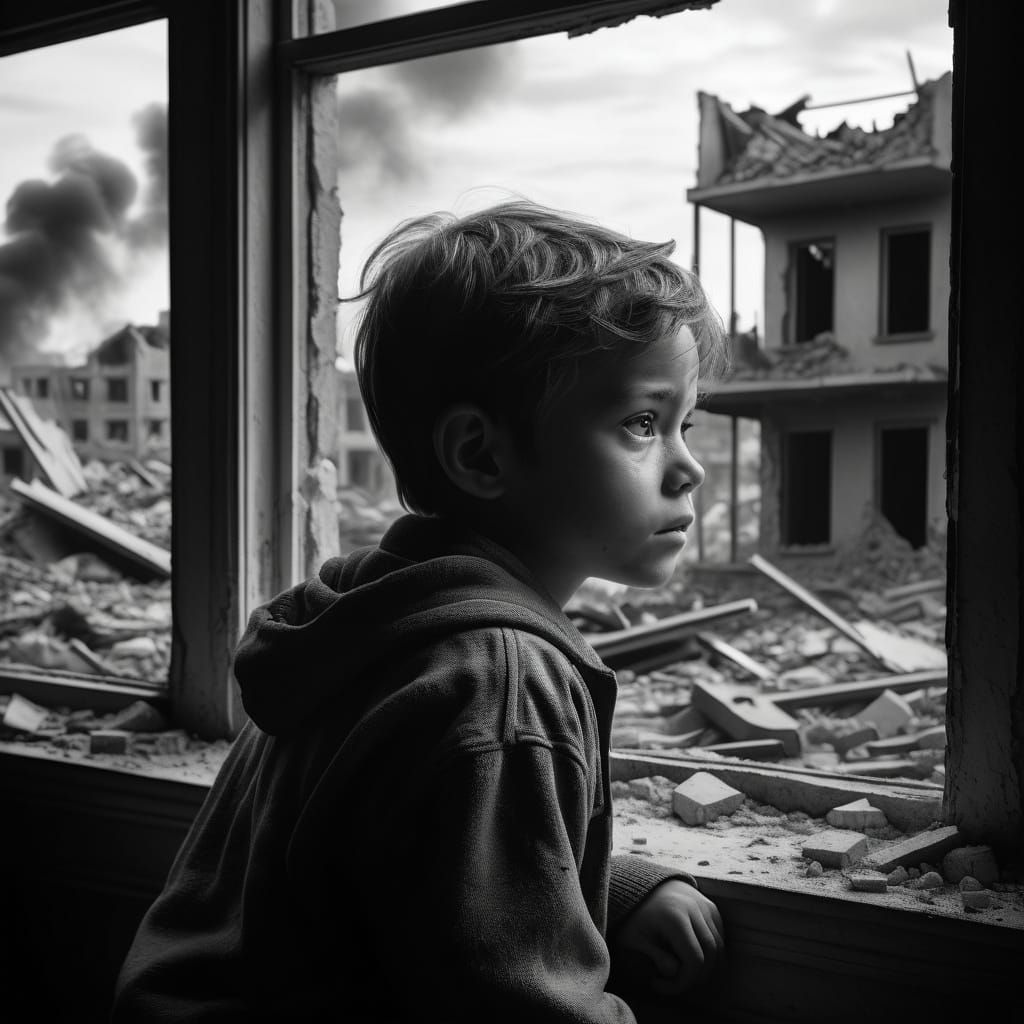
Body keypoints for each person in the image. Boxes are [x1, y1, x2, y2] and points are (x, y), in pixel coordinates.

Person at [111, 199, 728, 1022]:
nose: (689, 468)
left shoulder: (367, 620)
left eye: (685, 424)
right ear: (480, 454)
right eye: (643, 423)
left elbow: (396, 858)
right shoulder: (498, 680)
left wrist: (611, 889)